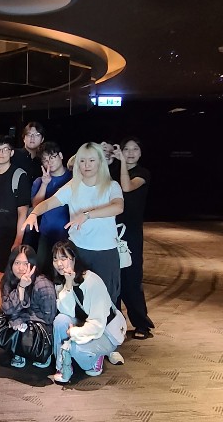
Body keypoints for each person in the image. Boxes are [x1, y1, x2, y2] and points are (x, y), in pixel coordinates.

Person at [23, 143, 139, 337]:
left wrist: (87, 215)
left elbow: (118, 207)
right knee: (77, 293)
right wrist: (34, 213)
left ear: (100, 162)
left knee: (107, 297)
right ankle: (78, 335)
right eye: (82, 161)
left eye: (92, 160)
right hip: (79, 251)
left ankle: (107, 340)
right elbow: (49, 203)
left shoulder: (111, 186)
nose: (87, 165)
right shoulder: (72, 186)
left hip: (105, 252)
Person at [48, 241, 126, 383]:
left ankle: (94, 360)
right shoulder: (62, 281)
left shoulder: (92, 282)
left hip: (105, 332)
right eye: (55, 259)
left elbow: (97, 324)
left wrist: (74, 333)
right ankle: (63, 366)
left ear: (74, 258)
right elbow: (65, 310)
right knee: (60, 320)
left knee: (76, 351)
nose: (59, 264)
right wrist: (69, 284)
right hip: (82, 323)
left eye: (64, 258)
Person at [0, 136, 32, 309]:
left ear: (11, 152)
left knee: (1, 276)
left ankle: (1, 312)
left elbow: (23, 212)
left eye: (5, 149)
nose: (1, 153)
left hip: (9, 235)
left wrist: (18, 239)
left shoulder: (19, 176)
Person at [113, 137, 155, 339]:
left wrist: (121, 161)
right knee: (113, 279)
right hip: (111, 230)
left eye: (135, 149)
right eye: (126, 149)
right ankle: (115, 324)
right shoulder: (113, 171)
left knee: (132, 278)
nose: (130, 153)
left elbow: (127, 186)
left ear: (141, 152)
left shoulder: (142, 173)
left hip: (131, 233)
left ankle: (141, 324)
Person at [0, 245, 56, 369]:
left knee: (25, 327)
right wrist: (21, 288)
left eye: (25, 264)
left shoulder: (42, 283)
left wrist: (26, 321)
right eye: (17, 263)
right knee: (3, 321)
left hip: (40, 326)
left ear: (33, 265)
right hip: (20, 323)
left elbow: (50, 317)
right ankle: (20, 350)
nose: (21, 268)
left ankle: (43, 351)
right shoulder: (8, 281)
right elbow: (7, 309)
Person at [32, 142, 71, 274]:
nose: (49, 162)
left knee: (66, 271)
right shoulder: (39, 181)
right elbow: (36, 207)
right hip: (46, 233)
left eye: (52, 157)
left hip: (69, 234)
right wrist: (44, 184)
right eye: (45, 160)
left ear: (61, 156)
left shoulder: (73, 178)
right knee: (42, 271)